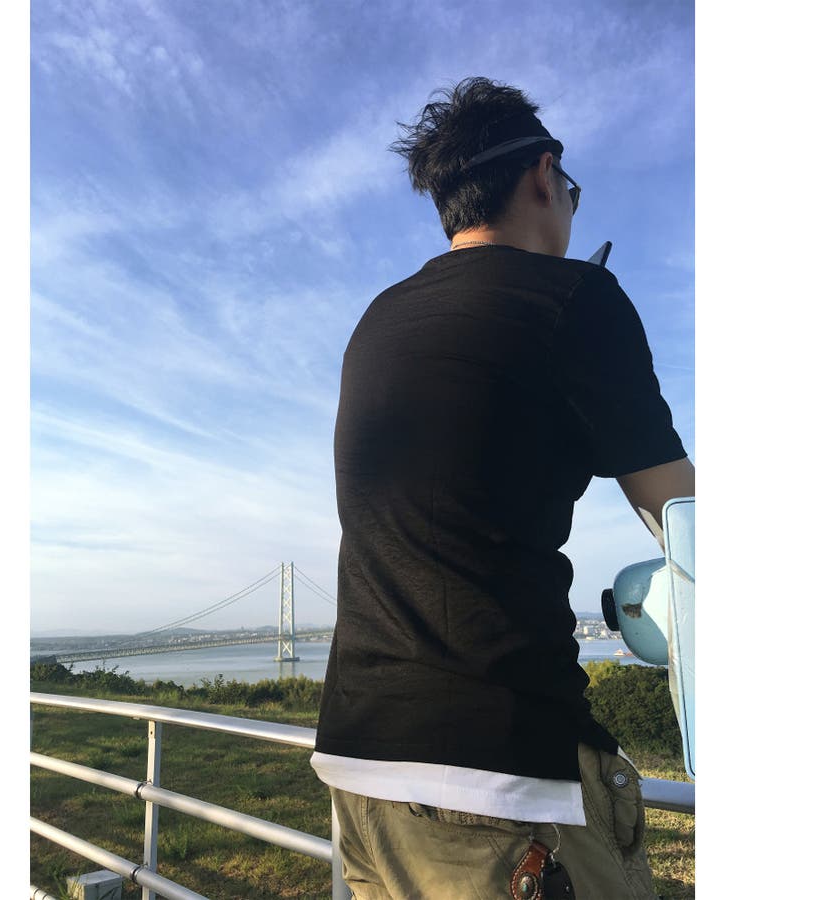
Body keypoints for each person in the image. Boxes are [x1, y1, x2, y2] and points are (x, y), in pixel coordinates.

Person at [310, 77, 695, 899]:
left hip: (358, 769)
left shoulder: (377, 320)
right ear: (544, 175)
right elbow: (686, 519)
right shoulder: (576, 297)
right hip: (501, 786)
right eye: (572, 193)